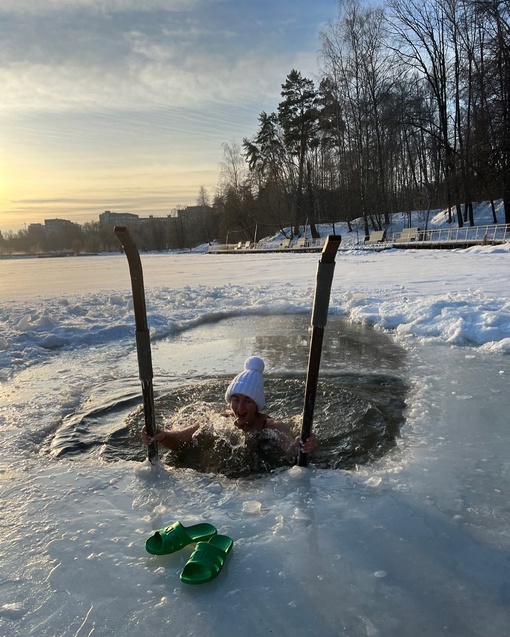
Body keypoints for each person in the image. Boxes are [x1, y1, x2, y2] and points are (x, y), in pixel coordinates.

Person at [141, 356, 316, 463]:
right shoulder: (217, 420)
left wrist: (302, 446)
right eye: (235, 399)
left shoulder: (273, 427)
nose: (239, 407)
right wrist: (162, 436)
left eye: (247, 401)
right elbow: (180, 440)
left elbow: (290, 452)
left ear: (257, 404)